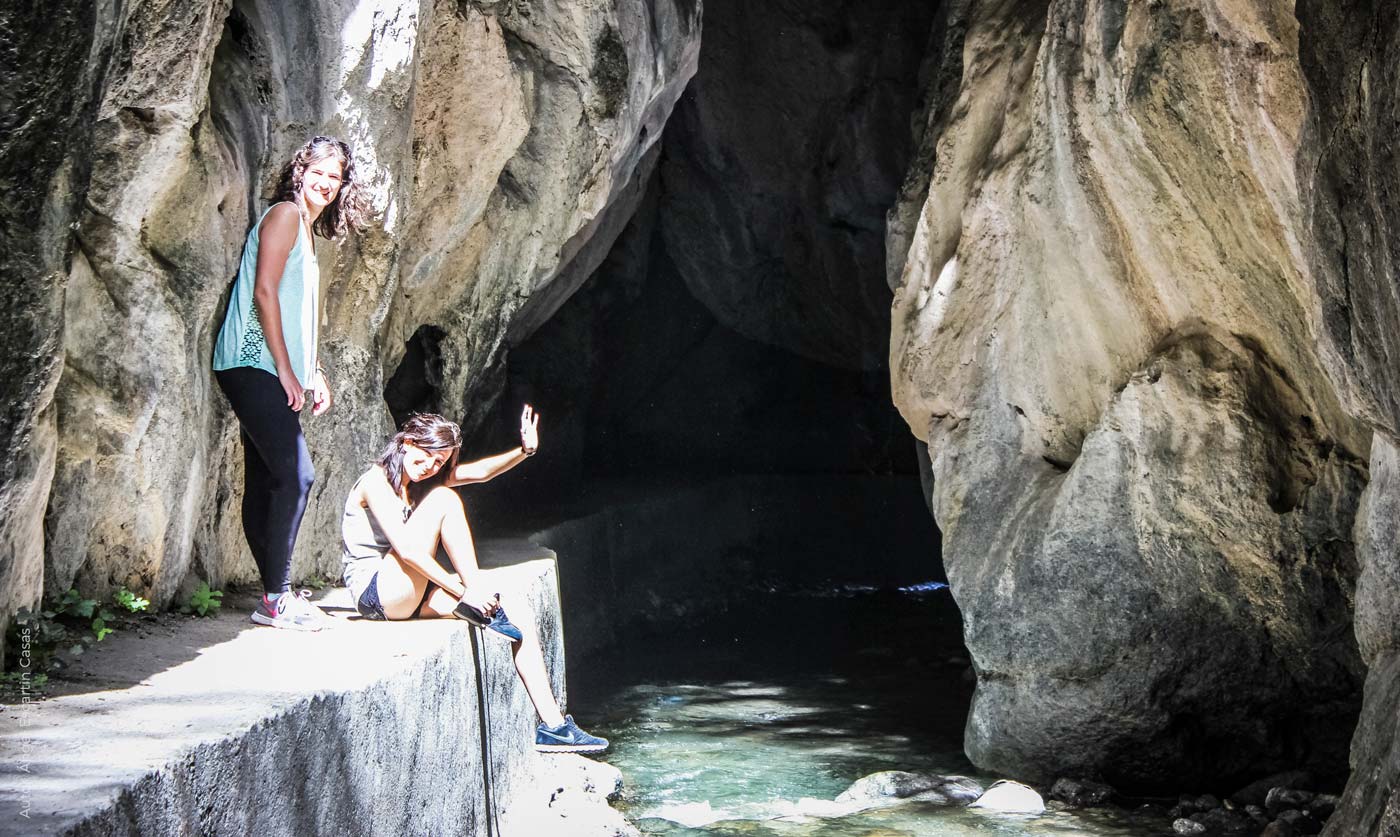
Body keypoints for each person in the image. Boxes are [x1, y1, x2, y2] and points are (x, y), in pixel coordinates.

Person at [341, 408, 608, 753]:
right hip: (377, 593)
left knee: (514, 607)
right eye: (426, 458)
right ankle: (475, 589)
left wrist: (524, 451)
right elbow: (407, 551)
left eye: (439, 463)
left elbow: (480, 473)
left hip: (409, 592)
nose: (431, 468)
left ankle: (554, 726)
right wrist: (465, 590)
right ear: (407, 442)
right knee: (444, 499)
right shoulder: (376, 482)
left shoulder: (421, 482)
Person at [211, 135, 367, 631]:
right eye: (318, 171)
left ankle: (272, 595)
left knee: (268, 480)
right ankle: (277, 600)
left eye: (335, 177)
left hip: (268, 366)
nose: (326, 182)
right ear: (300, 171)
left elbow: (303, 313)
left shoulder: (307, 228)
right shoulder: (284, 216)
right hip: (250, 361)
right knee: (298, 476)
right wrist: (283, 367)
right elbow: (264, 291)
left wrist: (313, 370)